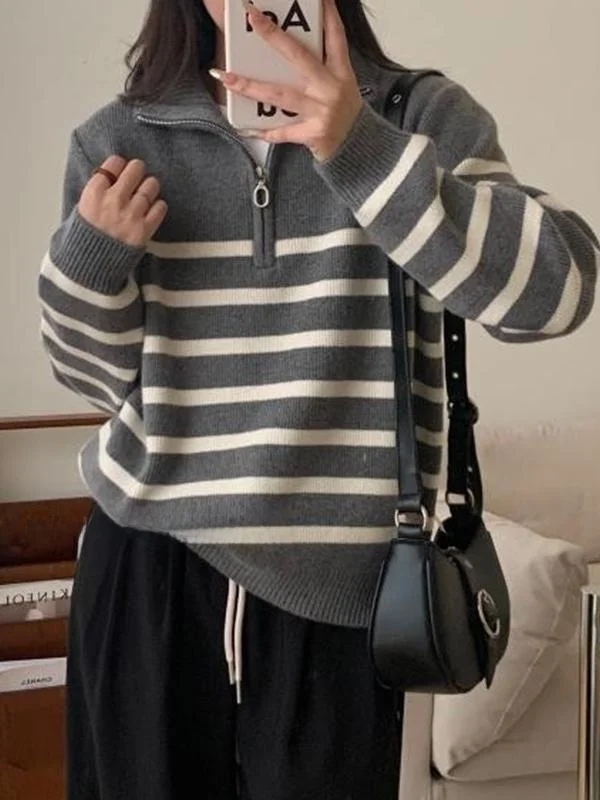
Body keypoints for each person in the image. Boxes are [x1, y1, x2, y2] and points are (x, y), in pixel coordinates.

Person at [38, 0, 599, 797]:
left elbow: (556, 295)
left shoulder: (418, 116)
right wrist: (90, 262)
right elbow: (97, 381)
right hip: (150, 576)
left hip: (343, 597)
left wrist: (358, 147)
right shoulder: (119, 140)